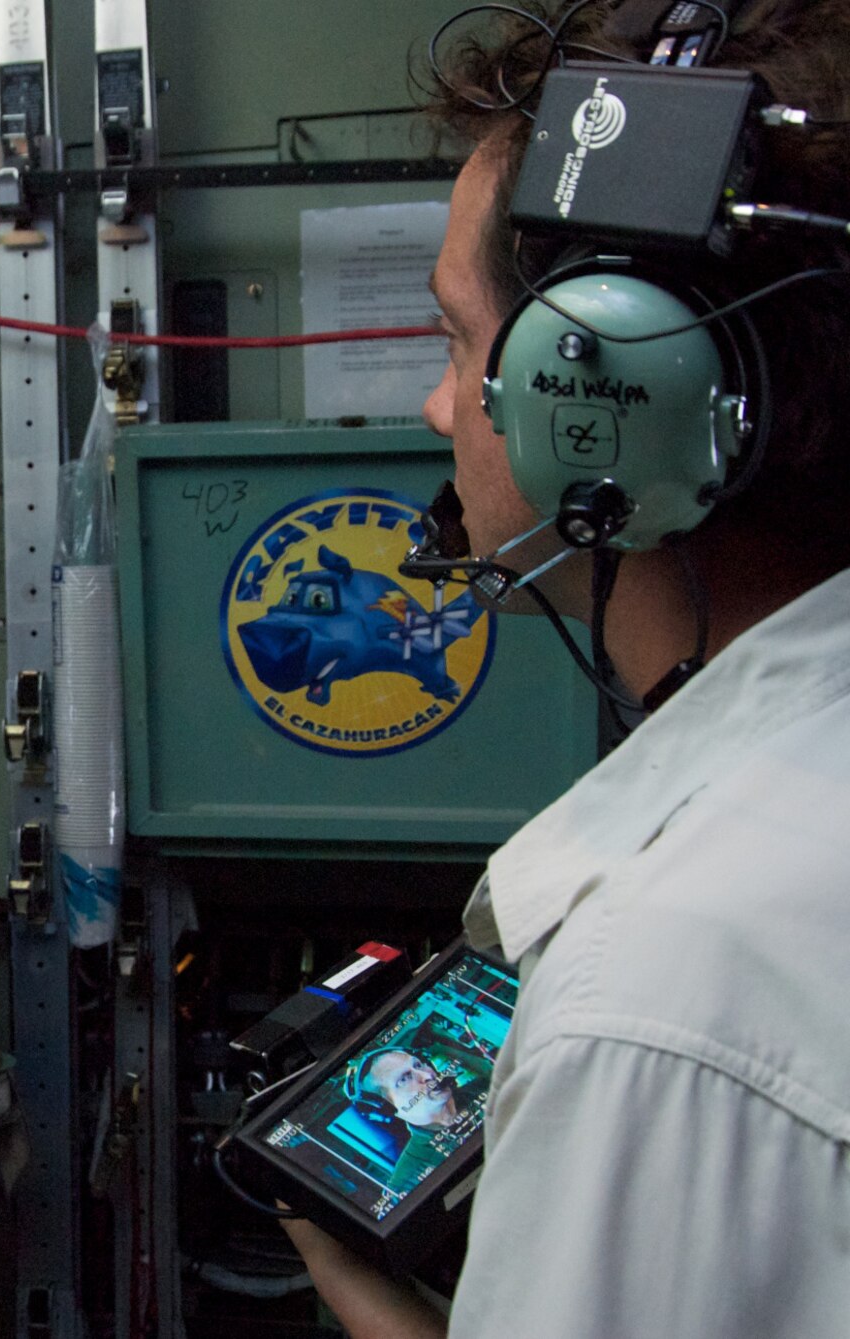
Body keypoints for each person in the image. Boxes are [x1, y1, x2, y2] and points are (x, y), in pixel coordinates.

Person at [284, 4, 850, 1336]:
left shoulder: (656, 998)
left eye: (456, 338)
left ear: (588, 399)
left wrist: (393, 1318)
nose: (437, 408)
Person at [344, 1045, 490, 1197]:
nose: (426, 1076)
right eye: (404, 1079)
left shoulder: (490, 1083)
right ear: (387, 1108)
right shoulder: (405, 1182)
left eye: (418, 1065)